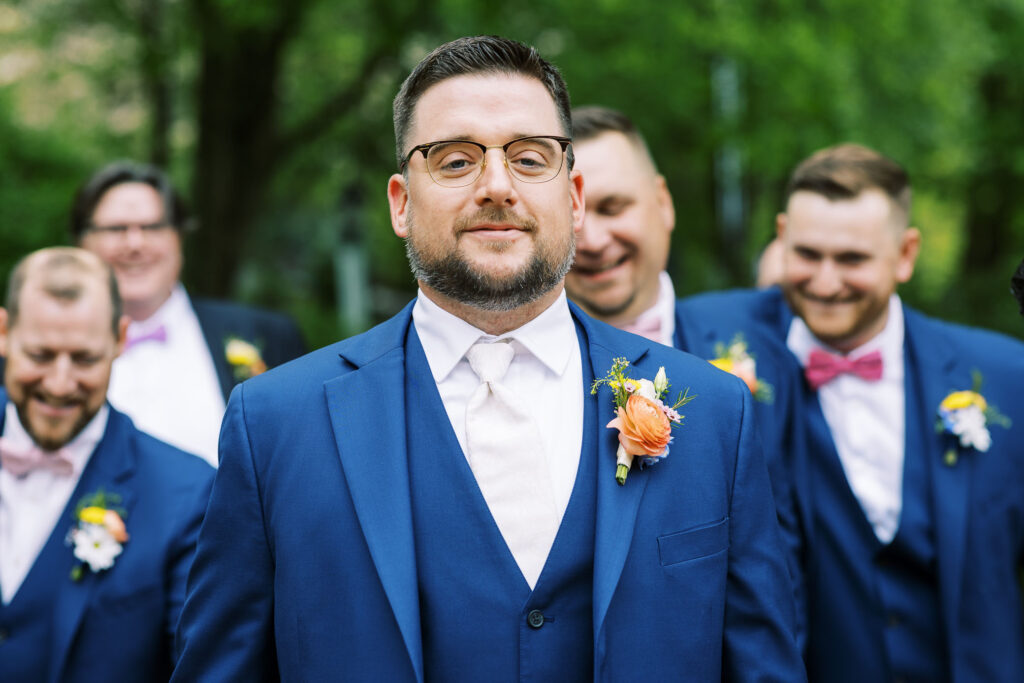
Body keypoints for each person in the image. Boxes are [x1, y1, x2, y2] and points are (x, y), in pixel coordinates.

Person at [173, 36, 804, 681]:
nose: (496, 187)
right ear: (400, 202)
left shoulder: (717, 416)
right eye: (454, 161)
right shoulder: (274, 423)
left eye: (530, 159)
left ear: (575, 196)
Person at [680, 143, 1024, 682]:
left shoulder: (1006, 375)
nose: (824, 281)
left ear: (906, 254)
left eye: (852, 259)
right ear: (781, 234)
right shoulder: (703, 342)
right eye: (807, 254)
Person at [564, 104, 805, 639]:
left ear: (663, 204)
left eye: (613, 206)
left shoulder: (763, 335)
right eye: (572, 213)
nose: (595, 239)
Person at [0, 247, 213, 682]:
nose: (59, 384)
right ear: (3, 332)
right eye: (40, 356)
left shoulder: (186, 493)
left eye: (84, 359)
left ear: (119, 339)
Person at [70, 162, 307, 465]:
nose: (135, 244)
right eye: (116, 229)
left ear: (179, 237)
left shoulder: (268, 335)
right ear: (81, 241)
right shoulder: (33, 353)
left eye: (153, 227)